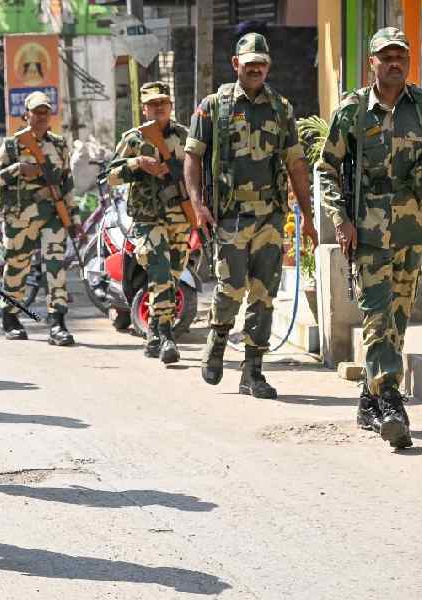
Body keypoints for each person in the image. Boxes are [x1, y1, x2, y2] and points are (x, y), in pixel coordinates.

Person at [316, 27, 422, 449]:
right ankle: (391, 401)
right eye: (386, 56)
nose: (394, 63)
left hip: (412, 233)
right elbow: (326, 168)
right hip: (368, 233)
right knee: (377, 315)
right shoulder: (353, 111)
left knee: (397, 317)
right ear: (371, 62)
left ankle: (367, 399)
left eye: (401, 56)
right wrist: (340, 220)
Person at [184, 32, 317, 400]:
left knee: (263, 295)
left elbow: (296, 163)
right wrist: (197, 205)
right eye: (249, 63)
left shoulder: (281, 108)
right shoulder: (214, 105)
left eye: (261, 63)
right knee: (230, 289)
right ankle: (218, 338)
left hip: (271, 218)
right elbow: (192, 157)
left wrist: (306, 216)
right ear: (236, 64)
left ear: (268, 66)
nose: (255, 68)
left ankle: (252, 372)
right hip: (230, 216)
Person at [0, 91, 80, 346]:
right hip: (21, 217)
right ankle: (10, 317)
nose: (41, 116)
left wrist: (74, 217)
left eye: (45, 112)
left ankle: (57, 322)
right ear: (25, 115)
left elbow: (67, 182)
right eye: (36, 112)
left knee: (56, 266)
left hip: (53, 215)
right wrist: (18, 169)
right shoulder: (12, 145)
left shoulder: (60, 144)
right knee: (17, 267)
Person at [108, 81, 191, 364]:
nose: (158, 108)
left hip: (180, 216)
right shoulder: (133, 138)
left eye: (163, 103)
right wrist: (137, 164)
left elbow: (200, 170)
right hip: (147, 218)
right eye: (153, 104)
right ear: (144, 109)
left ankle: (154, 330)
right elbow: (110, 176)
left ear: (170, 106)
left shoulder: (185, 136)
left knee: (173, 276)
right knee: (159, 271)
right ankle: (167, 335)